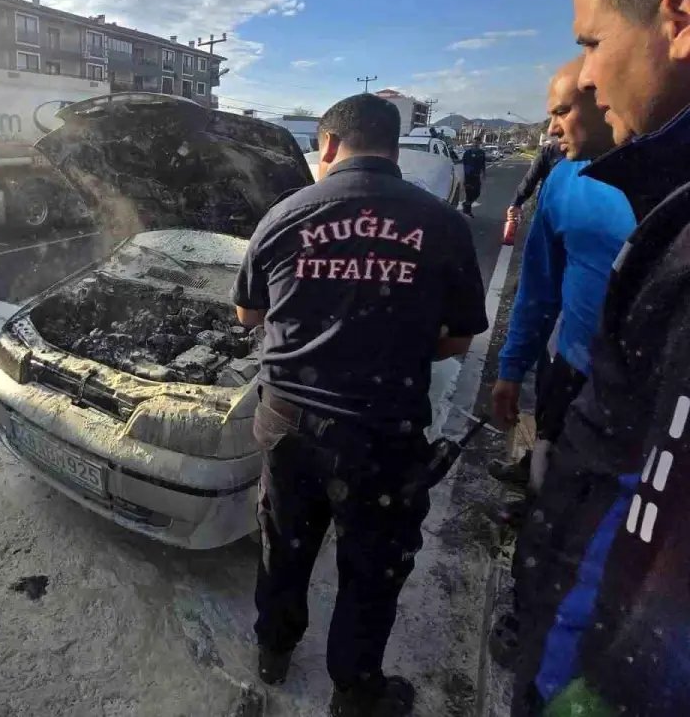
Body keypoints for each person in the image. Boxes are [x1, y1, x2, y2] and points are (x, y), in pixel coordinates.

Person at [233, 93, 487, 716]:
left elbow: (249, 314)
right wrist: (387, 341)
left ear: (326, 145)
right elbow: (457, 337)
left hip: (287, 420)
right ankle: (354, 688)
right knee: (372, 564)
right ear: (392, 145)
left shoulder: (284, 214)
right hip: (381, 430)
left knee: (284, 542)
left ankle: (273, 649)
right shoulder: (442, 223)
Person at [508, 0, 690, 717]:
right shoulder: (590, 187)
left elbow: (650, 529)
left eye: (589, 43)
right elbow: (536, 292)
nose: (582, 82)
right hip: (573, 380)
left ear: (677, 19)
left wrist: (586, 693)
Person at [485, 57, 634, 665]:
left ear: (607, 97)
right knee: (551, 501)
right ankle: (530, 609)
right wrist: (511, 370)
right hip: (569, 373)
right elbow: (539, 289)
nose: (551, 128)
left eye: (562, 111)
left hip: (651, 389)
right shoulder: (564, 182)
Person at [507, 139, 565, 220]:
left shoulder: (549, 151)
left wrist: (516, 203)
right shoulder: (549, 152)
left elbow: (530, 180)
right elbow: (530, 179)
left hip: (549, 209)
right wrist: (516, 202)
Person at [461, 139, 488, 216]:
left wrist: (484, 173)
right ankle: (467, 212)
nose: (476, 144)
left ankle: (466, 205)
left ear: (479, 144)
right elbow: (464, 165)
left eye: (477, 142)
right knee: (469, 194)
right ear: (472, 143)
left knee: (477, 193)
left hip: (476, 177)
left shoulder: (481, 153)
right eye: (474, 142)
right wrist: (464, 178)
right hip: (468, 177)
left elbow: (483, 164)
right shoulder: (467, 153)